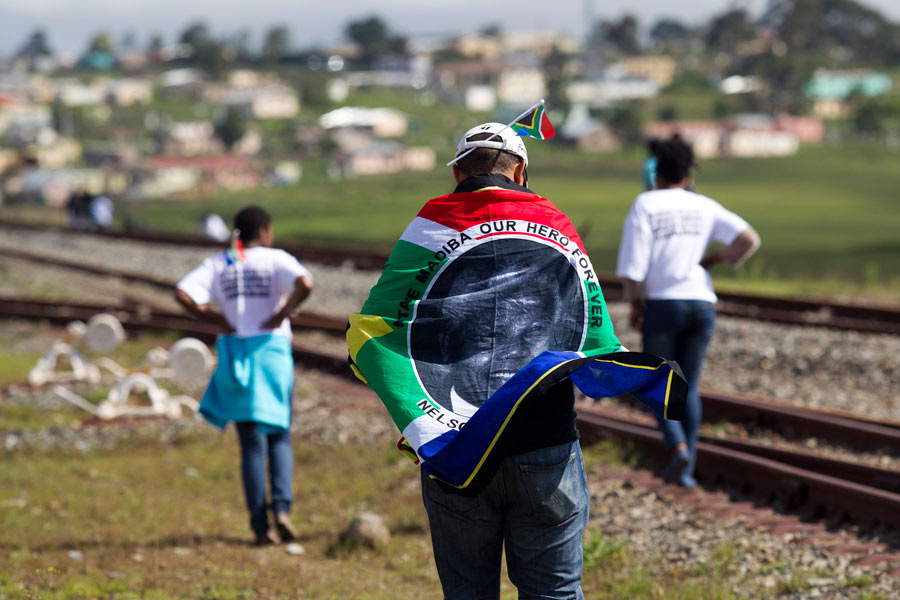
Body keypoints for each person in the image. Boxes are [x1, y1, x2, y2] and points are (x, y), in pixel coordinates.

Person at [348, 122, 686, 599]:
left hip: (458, 449)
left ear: (458, 173)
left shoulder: (431, 225)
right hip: (544, 443)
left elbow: (378, 324)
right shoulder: (555, 224)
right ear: (521, 171)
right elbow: (594, 332)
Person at [616, 135, 760, 488]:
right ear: (689, 175)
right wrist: (711, 261)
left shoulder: (646, 204)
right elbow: (749, 240)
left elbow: (633, 267)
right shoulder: (704, 205)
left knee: (658, 381)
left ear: (657, 173)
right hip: (701, 303)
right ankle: (688, 471)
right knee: (689, 387)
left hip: (663, 304)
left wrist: (636, 304)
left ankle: (677, 446)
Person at [174, 205, 314, 546]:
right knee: (279, 434)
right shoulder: (275, 258)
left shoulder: (221, 263)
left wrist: (216, 319)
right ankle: (282, 510)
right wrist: (283, 313)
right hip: (272, 353)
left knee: (251, 445)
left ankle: (261, 528)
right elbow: (305, 283)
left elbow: (183, 294)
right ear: (264, 231)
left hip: (235, 355)